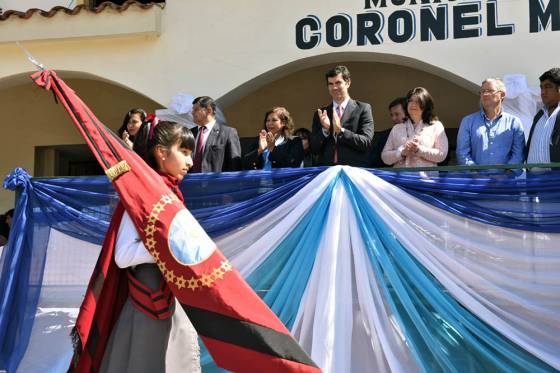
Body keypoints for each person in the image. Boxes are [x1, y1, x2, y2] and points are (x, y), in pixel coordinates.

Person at [71, 121, 200, 373]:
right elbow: (124, 255)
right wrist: (171, 250)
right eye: (184, 152)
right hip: (147, 298)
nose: (190, 162)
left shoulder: (172, 194)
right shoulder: (141, 195)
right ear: (161, 153)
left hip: (172, 293)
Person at [310, 65, 374, 167]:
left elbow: (366, 143)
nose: (334, 87)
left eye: (338, 83)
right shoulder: (321, 113)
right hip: (327, 172)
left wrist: (341, 131)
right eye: (330, 84)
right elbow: (314, 149)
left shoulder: (363, 108)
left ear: (348, 83)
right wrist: (325, 130)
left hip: (353, 171)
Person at [456, 78, 525, 166]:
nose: (485, 94)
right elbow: (462, 154)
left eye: (490, 90)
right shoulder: (468, 121)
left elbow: (518, 155)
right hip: (475, 178)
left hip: (507, 179)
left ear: (502, 94)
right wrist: (477, 175)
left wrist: (506, 175)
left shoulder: (514, 122)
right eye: (482, 91)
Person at [381, 87, 448, 167]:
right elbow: (385, 157)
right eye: (410, 101)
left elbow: (442, 154)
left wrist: (419, 150)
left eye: (417, 101)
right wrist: (401, 152)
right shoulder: (397, 128)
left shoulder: (436, 126)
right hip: (401, 178)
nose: (413, 104)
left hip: (425, 178)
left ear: (425, 105)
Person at [190, 96, 242, 173]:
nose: (192, 113)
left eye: (196, 109)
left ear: (209, 110)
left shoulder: (228, 133)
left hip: (216, 183)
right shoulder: (189, 133)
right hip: (190, 183)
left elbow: (235, 165)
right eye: (193, 110)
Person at [526, 68, 560, 163]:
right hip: (532, 177)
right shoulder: (539, 115)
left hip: (555, 177)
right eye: (541, 87)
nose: (543, 92)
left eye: (548, 87)